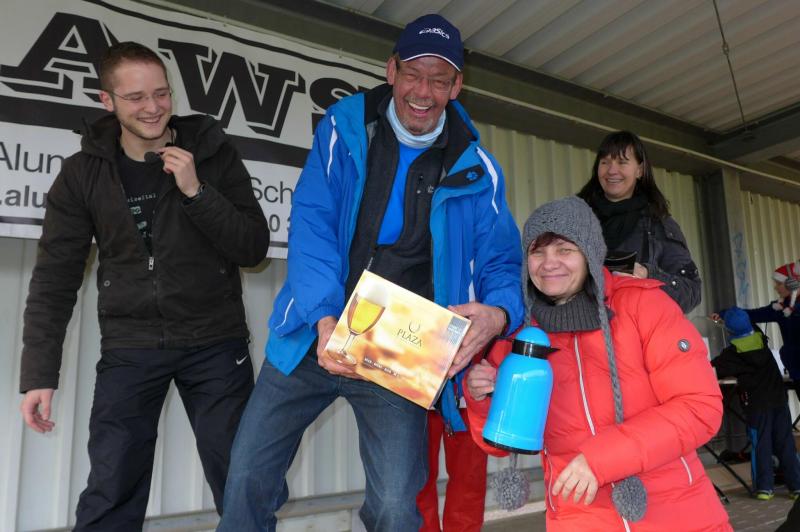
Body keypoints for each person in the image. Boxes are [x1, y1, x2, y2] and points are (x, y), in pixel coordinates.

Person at [218, 14, 524, 532]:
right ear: (391, 70)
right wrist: (323, 318)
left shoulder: (478, 168)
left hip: (400, 348)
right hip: (315, 331)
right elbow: (312, 223)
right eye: (413, 74)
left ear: (457, 87)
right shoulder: (344, 129)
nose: (423, 92)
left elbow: (501, 261)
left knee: (397, 506)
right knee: (247, 477)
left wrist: (498, 313)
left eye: (439, 80)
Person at [18, 42, 269, 531]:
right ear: (107, 101)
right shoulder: (82, 173)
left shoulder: (212, 154)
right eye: (135, 97)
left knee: (243, 481)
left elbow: (252, 248)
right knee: (111, 486)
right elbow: (54, 277)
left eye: (161, 93)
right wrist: (39, 373)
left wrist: (196, 191)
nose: (152, 107)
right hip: (130, 345)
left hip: (215, 342)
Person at [466, 196, 731, 531]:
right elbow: (499, 444)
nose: (549, 263)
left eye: (564, 249)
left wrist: (603, 459)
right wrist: (481, 397)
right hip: (578, 517)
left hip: (678, 514)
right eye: (537, 252)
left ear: (589, 253)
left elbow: (699, 408)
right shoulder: (520, 334)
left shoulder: (644, 305)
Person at [577, 130, 701, 313]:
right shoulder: (575, 218)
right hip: (580, 325)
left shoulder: (658, 224)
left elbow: (692, 291)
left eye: (622, 162)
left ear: (640, 170)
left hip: (635, 326)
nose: (612, 170)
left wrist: (648, 274)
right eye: (605, 162)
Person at [711, 307, 800, 500]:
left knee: (761, 444)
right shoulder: (761, 339)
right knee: (786, 443)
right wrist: (726, 315)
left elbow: (712, 367)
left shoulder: (732, 355)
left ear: (729, 332)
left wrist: (722, 316)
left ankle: (764, 488)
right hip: (779, 400)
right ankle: (796, 486)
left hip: (757, 406)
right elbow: (746, 321)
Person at [712, 261, 800, 381]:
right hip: (796, 371)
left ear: (791, 284)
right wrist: (725, 314)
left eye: (779, 283)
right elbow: (753, 314)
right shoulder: (780, 309)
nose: (775, 287)